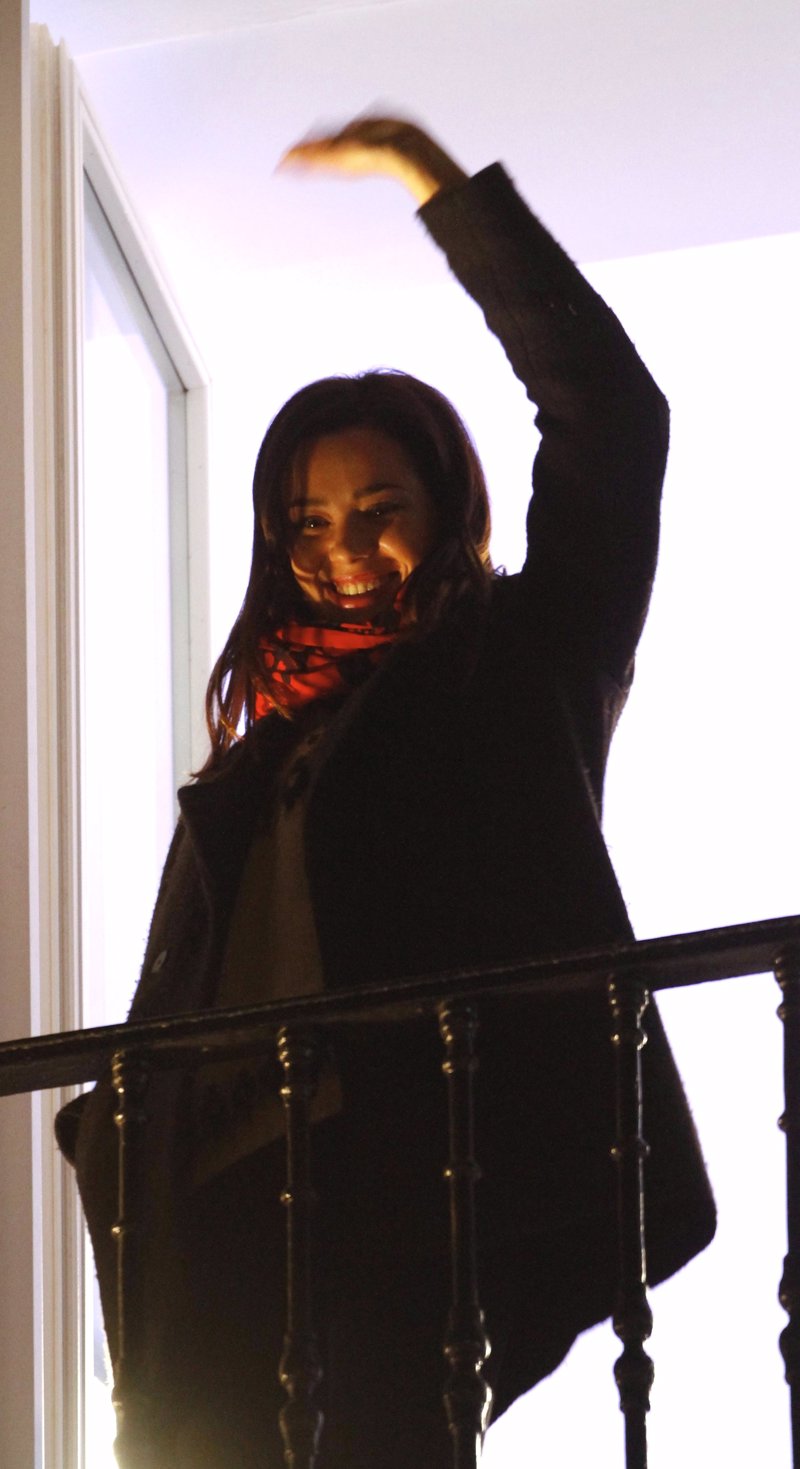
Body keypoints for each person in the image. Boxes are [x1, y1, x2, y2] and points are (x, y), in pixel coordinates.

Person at [57, 118, 716, 1467]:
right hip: (219, 1204)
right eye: (307, 520)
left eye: (378, 506)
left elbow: (614, 420)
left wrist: (438, 183)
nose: (343, 545)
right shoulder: (253, 768)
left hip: (406, 1177)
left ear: (447, 506)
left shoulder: (517, 663)